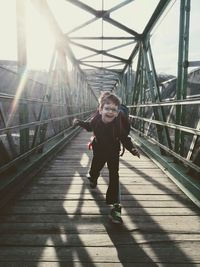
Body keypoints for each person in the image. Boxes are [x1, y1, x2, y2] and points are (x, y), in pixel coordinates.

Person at [73, 91, 140, 224]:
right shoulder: (96, 120)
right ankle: (93, 177)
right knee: (95, 167)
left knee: (114, 175)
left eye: (114, 110)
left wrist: (132, 149)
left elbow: (124, 138)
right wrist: (79, 122)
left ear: (117, 112)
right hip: (99, 150)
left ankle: (115, 208)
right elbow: (89, 127)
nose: (110, 112)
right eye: (107, 108)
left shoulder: (118, 124)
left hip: (113, 151)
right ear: (100, 109)